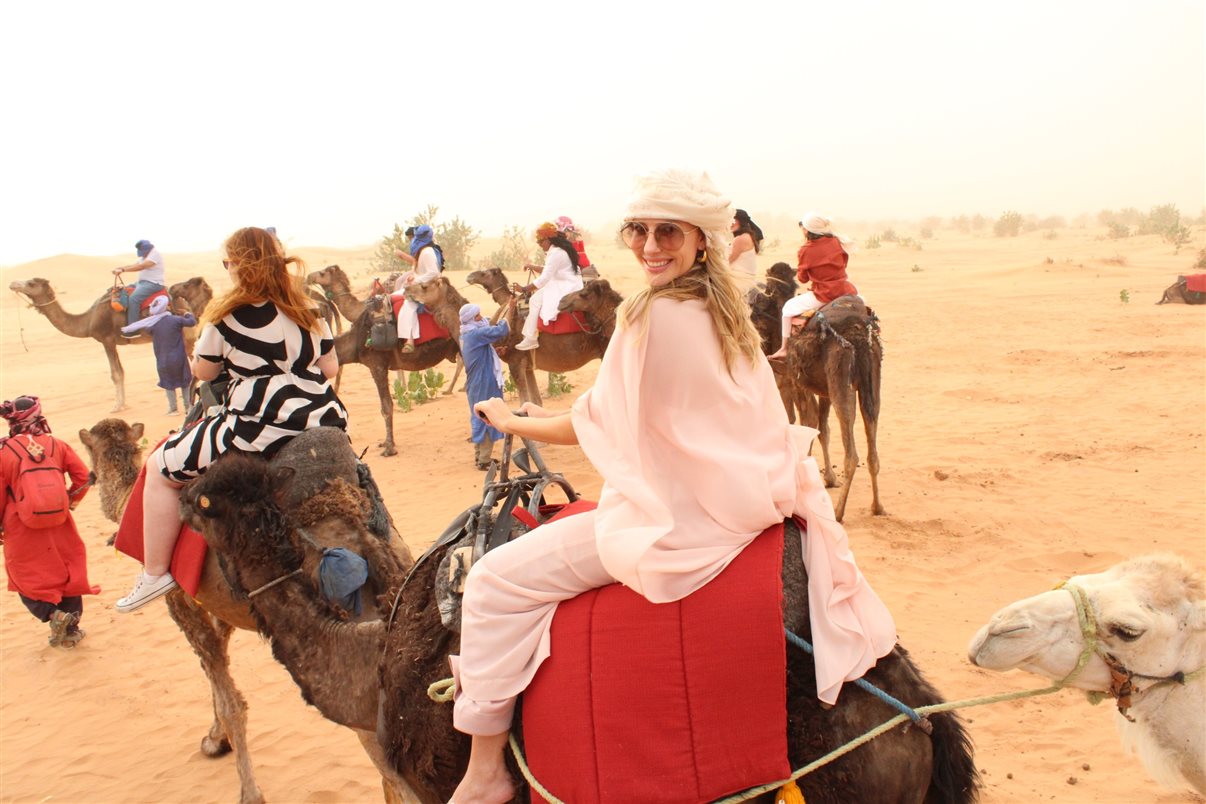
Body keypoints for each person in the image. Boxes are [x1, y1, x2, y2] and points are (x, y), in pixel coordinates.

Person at [451, 169, 896, 802]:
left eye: (668, 232)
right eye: (640, 230)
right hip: (747, 503)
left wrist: (509, 418)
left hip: (686, 520)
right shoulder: (728, 312)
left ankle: (485, 771)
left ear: (700, 241)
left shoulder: (649, 313)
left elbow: (595, 421)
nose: (650, 245)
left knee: (494, 584)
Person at [115, 227, 348, 613]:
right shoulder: (309, 311)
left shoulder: (224, 317)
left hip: (256, 426)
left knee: (159, 467)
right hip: (322, 418)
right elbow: (330, 366)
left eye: (229, 263)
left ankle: (155, 573)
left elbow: (204, 374)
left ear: (240, 266)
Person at [0, 396, 96, 647]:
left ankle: (54, 615)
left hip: (19, 523)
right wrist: (69, 502)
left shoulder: (4, 451)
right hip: (60, 521)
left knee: (25, 577)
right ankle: (71, 629)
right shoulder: (57, 445)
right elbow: (84, 477)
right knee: (68, 570)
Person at [767, 213, 860, 360]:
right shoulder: (837, 242)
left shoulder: (805, 250)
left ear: (807, 230)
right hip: (845, 290)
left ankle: (784, 348)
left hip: (824, 294)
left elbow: (803, 279)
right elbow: (844, 263)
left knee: (787, 309)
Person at [121, 295, 196, 415]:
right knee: (185, 382)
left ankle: (173, 409)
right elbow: (192, 322)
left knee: (168, 384)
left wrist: (152, 318)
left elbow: (147, 329)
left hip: (163, 360)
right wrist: (187, 313)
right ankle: (188, 408)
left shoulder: (153, 326)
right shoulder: (176, 320)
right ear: (166, 307)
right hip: (179, 358)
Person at [458, 302, 512, 469]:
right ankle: (484, 460)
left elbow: (479, 355)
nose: (481, 318)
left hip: (478, 382)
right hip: (483, 381)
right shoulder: (474, 335)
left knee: (479, 416)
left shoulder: (466, 335)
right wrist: (510, 310)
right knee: (487, 417)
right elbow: (501, 330)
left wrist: (493, 353)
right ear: (471, 319)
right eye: (478, 316)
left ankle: (480, 456)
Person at [514, 222, 584, 351]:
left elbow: (545, 278)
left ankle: (531, 339)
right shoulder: (558, 250)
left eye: (540, 241)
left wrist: (523, 289)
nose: (539, 245)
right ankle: (530, 337)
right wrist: (532, 266)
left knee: (535, 301)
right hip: (565, 282)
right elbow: (549, 270)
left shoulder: (556, 253)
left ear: (548, 239)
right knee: (536, 300)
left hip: (565, 286)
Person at [391, 224, 443, 353]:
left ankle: (410, 341)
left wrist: (416, 280)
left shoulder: (426, 252)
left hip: (428, 288)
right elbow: (422, 272)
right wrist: (413, 278)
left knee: (408, 307)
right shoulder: (424, 251)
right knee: (392, 297)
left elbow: (434, 273)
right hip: (421, 285)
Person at [113, 240, 166, 327]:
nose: (142, 254)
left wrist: (123, 270)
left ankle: (133, 328)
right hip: (142, 283)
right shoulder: (144, 257)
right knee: (123, 291)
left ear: (147, 249)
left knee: (133, 300)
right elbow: (134, 265)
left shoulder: (155, 255)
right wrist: (120, 268)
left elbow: (141, 266)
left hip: (153, 284)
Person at [728, 208, 764, 280]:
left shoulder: (741, 239)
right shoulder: (747, 236)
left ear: (741, 221)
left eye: (733, 220)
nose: (730, 223)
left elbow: (727, 261)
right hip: (743, 278)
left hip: (740, 280)